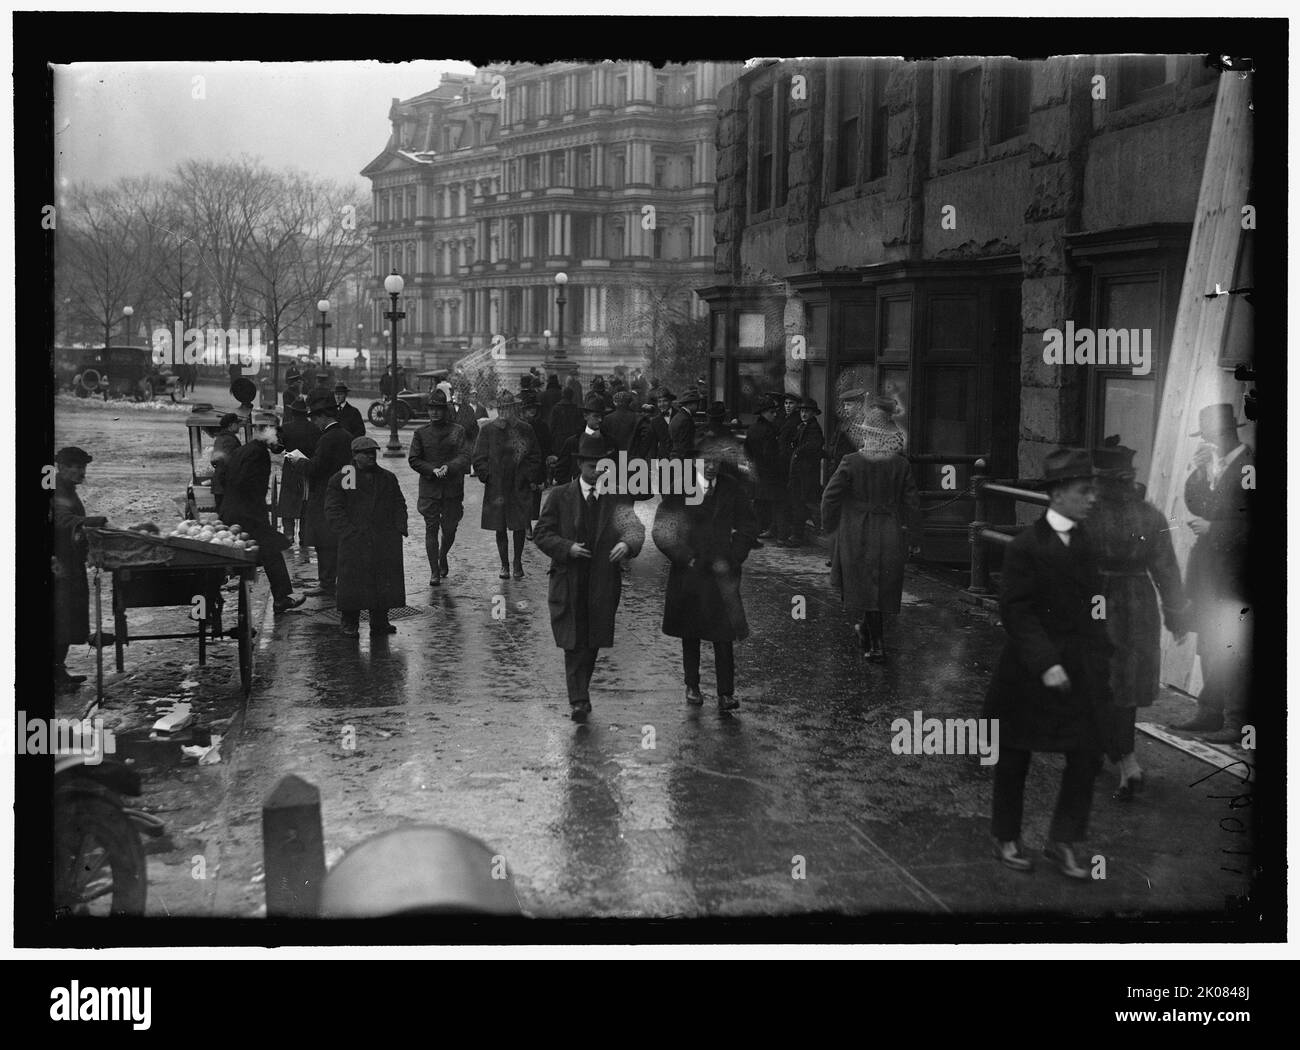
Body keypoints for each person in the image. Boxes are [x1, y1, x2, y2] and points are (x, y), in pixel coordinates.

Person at [981, 448, 1112, 879]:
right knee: (1015, 755)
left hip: (1080, 666)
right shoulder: (1026, 546)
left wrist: (1105, 648)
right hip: (1028, 671)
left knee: (1086, 752)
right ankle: (1006, 836)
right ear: (1056, 494)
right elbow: (1016, 612)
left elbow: (1095, 604)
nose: (1091, 499)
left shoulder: (1088, 542)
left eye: (1093, 491)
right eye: (1082, 491)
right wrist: (1046, 662)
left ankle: (1063, 840)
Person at [1088, 438, 1189, 799]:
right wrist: (1176, 614)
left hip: (1096, 599)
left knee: (1096, 678)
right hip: (1138, 601)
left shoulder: (1086, 514)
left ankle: (1117, 757)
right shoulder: (1150, 515)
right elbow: (1166, 568)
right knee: (1126, 685)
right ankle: (1120, 756)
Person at [532, 434, 645, 722]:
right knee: (573, 640)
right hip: (569, 579)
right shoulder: (560, 496)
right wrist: (566, 547)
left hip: (602, 580)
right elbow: (541, 534)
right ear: (580, 465)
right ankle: (578, 700)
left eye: (603, 466)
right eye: (592, 465)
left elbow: (634, 527)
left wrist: (628, 544)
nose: (598, 471)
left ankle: (582, 690)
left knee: (592, 640)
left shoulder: (617, 496)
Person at [653, 444, 759, 712]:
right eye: (706, 462)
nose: (711, 467)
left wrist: (735, 556)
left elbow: (748, 524)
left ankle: (726, 693)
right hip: (690, 571)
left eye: (716, 462)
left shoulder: (731, 487)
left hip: (722, 572)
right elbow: (662, 529)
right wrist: (683, 556)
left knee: (724, 633)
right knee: (691, 631)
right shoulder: (680, 487)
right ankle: (692, 685)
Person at [1175, 403, 1256, 744]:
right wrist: (1198, 471)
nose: (1205, 444)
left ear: (1225, 435)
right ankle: (1210, 714)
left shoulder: (1250, 467)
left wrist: (1215, 529)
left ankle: (1238, 722)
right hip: (1209, 573)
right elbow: (1195, 505)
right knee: (1210, 642)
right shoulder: (1216, 465)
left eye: (1208, 438)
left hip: (1239, 574)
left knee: (1235, 647)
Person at [821, 395, 920, 663]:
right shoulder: (901, 464)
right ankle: (869, 632)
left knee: (865, 585)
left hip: (856, 530)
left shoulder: (852, 461)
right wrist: (914, 537)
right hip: (889, 530)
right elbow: (912, 504)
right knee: (880, 585)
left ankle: (875, 644)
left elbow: (830, 497)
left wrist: (829, 527)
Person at [325, 435, 408, 638]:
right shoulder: (347, 476)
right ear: (355, 456)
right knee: (352, 584)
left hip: (383, 538)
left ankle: (380, 620)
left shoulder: (386, 477)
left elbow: (399, 503)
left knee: (383, 582)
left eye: (373, 453)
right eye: (366, 453)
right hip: (355, 540)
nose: (371, 457)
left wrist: (398, 528)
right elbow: (334, 508)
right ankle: (350, 621)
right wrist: (348, 532)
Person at [220, 423, 308, 615]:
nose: (281, 447)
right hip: (247, 514)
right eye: (279, 441)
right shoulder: (258, 454)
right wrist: (257, 508)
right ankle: (281, 598)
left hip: (232, 510)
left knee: (255, 554)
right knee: (271, 552)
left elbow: (222, 476)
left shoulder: (243, 449)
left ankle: (278, 596)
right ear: (270, 438)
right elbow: (250, 484)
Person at [51, 447, 108, 690]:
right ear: (61, 467)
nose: (79, 471)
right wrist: (92, 522)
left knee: (68, 619)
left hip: (70, 563)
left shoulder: (67, 489)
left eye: (82, 467)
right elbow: (63, 520)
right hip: (59, 565)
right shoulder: (56, 491)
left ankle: (58, 670)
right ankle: (55, 675)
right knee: (60, 619)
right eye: (73, 466)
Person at [289, 391, 355, 599]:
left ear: (323, 417)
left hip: (325, 496)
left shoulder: (327, 439)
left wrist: (298, 463)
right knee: (336, 541)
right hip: (343, 494)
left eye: (315, 418)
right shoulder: (346, 436)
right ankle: (336, 581)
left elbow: (316, 468)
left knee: (324, 542)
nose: (314, 423)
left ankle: (326, 584)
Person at [473, 389, 543, 580]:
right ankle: (504, 564)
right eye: (502, 407)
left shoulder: (525, 429)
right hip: (496, 486)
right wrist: (487, 476)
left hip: (518, 486)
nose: (505, 411)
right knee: (500, 526)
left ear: (515, 408)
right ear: (498, 408)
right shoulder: (488, 430)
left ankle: (517, 562)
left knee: (519, 526)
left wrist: (527, 477)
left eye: (509, 408)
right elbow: (479, 458)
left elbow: (535, 456)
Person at [408, 389, 470, 587]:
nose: (434, 413)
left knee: (450, 529)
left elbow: (465, 456)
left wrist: (449, 467)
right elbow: (413, 459)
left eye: (438, 409)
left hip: (452, 489)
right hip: (430, 489)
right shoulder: (420, 433)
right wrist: (432, 470)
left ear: (445, 410)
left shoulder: (457, 431)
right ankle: (434, 570)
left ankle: (442, 555)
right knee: (431, 528)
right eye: (431, 409)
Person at [278, 396, 318, 563]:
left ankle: (288, 535)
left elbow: (278, 447)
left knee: (288, 502)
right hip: (307, 469)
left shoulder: (285, 428)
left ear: (293, 413)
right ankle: (304, 537)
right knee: (305, 502)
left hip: (290, 470)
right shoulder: (314, 428)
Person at [784, 397, 824, 546]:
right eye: (802, 411)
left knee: (804, 502)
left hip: (806, 473)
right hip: (800, 472)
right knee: (800, 502)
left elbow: (814, 446)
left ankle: (799, 535)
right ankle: (799, 534)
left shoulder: (813, 428)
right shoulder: (803, 426)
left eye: (807, 411)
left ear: (813, 413)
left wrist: (798, 451)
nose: (804, 414)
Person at [744, 395, 785, 538]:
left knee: (759, 502)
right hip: (771, 473)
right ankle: (781, 535)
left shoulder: (752, 429)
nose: (774, 415)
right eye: (771, 412)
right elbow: (770, 455)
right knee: (778, 503)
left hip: (758, 471)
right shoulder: (770, 431)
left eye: (775, 412)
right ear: (763, 413)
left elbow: (747, 451)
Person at [553, 394, 613, 484]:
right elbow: (561, 471)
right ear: (585, 416)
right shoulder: (573, 442)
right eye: (596, 416)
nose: (600, 420)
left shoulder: (610, 442)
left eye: (602, 416)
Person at [520, 391, 551, 537]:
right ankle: (526, 526)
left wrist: (545, 470)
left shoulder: (542, 425)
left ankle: (531, 523)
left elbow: (546, 448)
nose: (532, 410)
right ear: (524, 410)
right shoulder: (520, 427)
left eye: (534, 408)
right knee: (525, 496)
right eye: (529, 408)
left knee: (536, 498)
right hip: (524, 465)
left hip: (538, 465)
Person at [547, 386, 585, 481]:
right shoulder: (576, 409)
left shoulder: (556, 408)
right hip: (573, 438)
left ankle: (562, 479)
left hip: (559, 440)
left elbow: (552, 426)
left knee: (562, 462)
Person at [210, 413, 242, 515]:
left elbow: (215, 460)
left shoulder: (220, 438)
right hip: (225, 485)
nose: (239, 426)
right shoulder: (230, 440)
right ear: (231, 425)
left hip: (220, 484)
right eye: (237, 424)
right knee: (228, 516)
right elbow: (228, 462)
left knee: (222, 516)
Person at [669, 390, 701, 460]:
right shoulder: (687, 420)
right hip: (684, 460)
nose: (698, 408)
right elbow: (686, 445)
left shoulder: (677, 416)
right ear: (689, 405)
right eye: (696, 404)